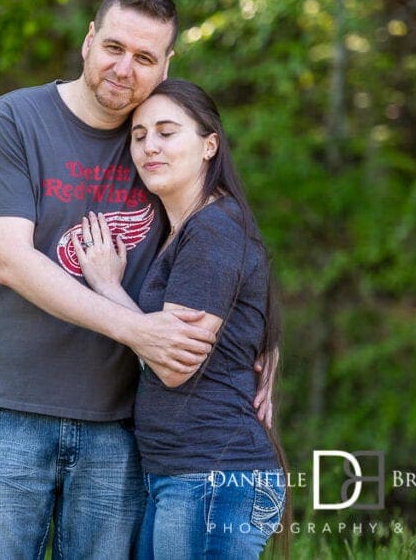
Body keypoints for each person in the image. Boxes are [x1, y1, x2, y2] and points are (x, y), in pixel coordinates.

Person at [0, 0, 238, 558]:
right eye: (113, 46)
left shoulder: (160, 142)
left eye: (144, 57)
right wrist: (137, 329)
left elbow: (225, 240)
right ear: (88, 40)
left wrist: (263, 348)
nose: (123, 68)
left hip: (119, 422)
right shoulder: (15, 119)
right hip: (5, 412)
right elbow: (13, 261)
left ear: (165, 65)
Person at [71, 78, 289, 559]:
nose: (150, 146)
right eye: (140, 134)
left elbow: (174, 363)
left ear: (209, 144)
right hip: (183, 474)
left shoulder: (212, 229)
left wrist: (107, 287)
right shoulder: (182, 231)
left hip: (212, 475)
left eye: (167, 132)